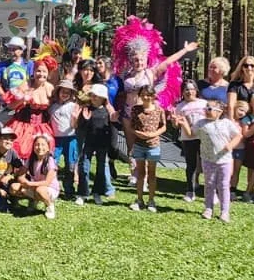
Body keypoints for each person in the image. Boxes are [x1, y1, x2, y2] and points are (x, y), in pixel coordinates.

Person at [196, 99, 242, 222]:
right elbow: (191, 134)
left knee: (223, 185)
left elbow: (238, 136)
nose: (206, 110)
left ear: (220, 112)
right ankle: (208, 208)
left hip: (224, 160)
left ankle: (224, 211)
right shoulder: (201, 123)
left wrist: (231, 145)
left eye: (209, 109)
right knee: (209, 184)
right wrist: (181, 123)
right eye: (206, 108)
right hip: (207, 159)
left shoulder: (227, 123)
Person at [126, 84, 167, 212]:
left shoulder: (159, 110)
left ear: (153, 96)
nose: (145, 97)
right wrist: (137, 133)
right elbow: (131, 126)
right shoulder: (135, 109)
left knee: (152, 173)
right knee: (140, 173)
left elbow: (163, 126)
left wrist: (152, 134)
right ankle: (139, 199)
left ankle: (151, 200)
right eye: (143, 94)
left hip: (153, 146)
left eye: (148, 95)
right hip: (139, 145)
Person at [4, 59, 56, 160]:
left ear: (48, 73)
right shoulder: (25, 85)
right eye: (38, 71)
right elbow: (10, 106)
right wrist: (22, 99)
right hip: (22, 126)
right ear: (33, 72)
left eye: (44, 71)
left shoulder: (50, 88)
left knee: (42, 150)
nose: (41, 74)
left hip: (42, 127)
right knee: (21, 150)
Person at [77, 83, 116, 205]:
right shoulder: (86, 109)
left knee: (100, 170)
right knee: (84, 167)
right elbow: (81, 128)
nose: (93, 98)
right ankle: (83, 193)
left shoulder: (107, 111)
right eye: (92, 95)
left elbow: (112, 129)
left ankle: (97, 192)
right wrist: (85, 120)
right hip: (88, 142)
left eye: (96, 96)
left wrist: (112, 146)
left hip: (102, 144)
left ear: (103, 98)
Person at [12, 133, 60, 219]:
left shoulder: (50, 161)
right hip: (34, 186)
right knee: (14, 187)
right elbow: (20, 175)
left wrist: (29, 184)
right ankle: (34, 200)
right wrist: (22, 180)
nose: (40, 147)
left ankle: (49, 205)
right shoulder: (31, 159)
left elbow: (47, 182)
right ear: (33, 147)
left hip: (49, 188)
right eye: (37, 145)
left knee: (40, 190)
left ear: (48, 148)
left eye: (43, 145)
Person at [172, 82, 205, 201]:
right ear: (182, 92)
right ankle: (190, 191)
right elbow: (175, 126)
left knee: (207, 165)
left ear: (196, 90)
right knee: (191, 165)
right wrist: (175, 121)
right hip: (188, 139)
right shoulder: (180, 106)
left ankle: (211, 192)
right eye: (186, 89)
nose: (189, 92)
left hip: (203, 138)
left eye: (192, 89)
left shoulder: (203, 103)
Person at [50, 80, 82, 199]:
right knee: (53, 164)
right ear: (58, 92)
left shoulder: (73, 106)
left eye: (68, 92)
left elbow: (75, 125)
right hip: (56, 139)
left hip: (70, 138)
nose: (65, 94)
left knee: (70, 164)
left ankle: (69, 190)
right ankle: (53, 187)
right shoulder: (52, 107)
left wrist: (75, 118)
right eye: (63, 91)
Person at [226, 55, 254, 120]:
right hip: (239, 119)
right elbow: (231, 105)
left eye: (252, 65)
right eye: (246, 65)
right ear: (242, 68)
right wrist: (231, 120)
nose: (249, 68)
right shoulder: (234, 84)